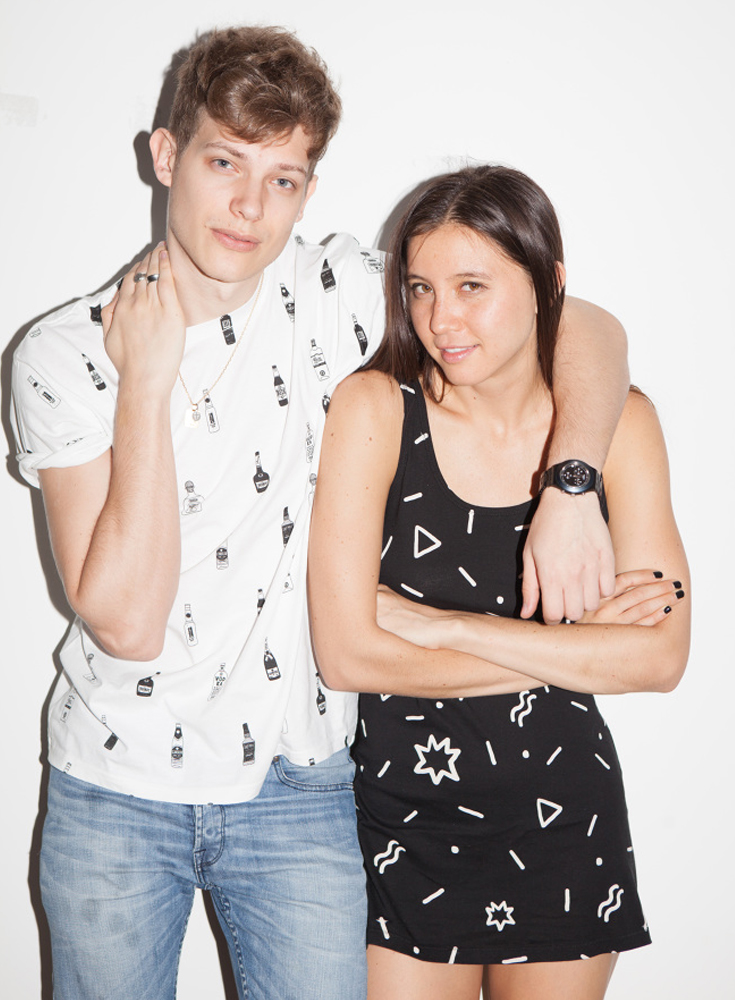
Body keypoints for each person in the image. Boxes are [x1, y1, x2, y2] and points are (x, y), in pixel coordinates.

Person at [11, 26, 630, 1000]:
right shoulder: (63, 354)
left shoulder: (335, 293)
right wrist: (146, 385)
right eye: (224, 162)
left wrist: (573, 482)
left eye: (284, 178)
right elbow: (126, 624)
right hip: (115, 789)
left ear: (308, 189)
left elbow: (574, 320)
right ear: (165, 155)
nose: (249, 207)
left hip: (298, 791)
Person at [308, 165, 690, 1000]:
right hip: (396, 825)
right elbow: (347, 656)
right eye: (420, 288)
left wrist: (442, 625)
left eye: (471, 286)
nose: (441, 319)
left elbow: (658, 659)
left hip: (564, 824)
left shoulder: (620, 427)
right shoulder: (376, 410)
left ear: (548, 284)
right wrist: (573, 649)